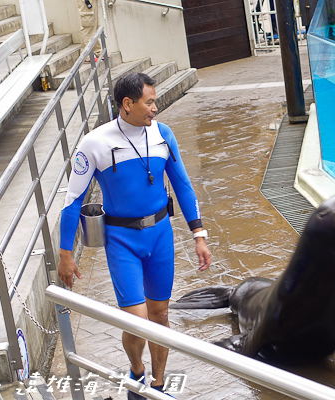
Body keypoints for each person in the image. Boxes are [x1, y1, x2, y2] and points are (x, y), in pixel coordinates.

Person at [57, 72, 211, 398]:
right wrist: (65, 254)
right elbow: (72, 202)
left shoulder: (163, 135)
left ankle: (157, 384)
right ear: (127, 104)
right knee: (137, 320)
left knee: (161, 315)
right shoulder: (95, 143)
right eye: (149, 102)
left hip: (159, 236)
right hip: (121, 240)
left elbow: (182, 185)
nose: (155, 108)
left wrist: (199, 233)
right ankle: (136, 373)